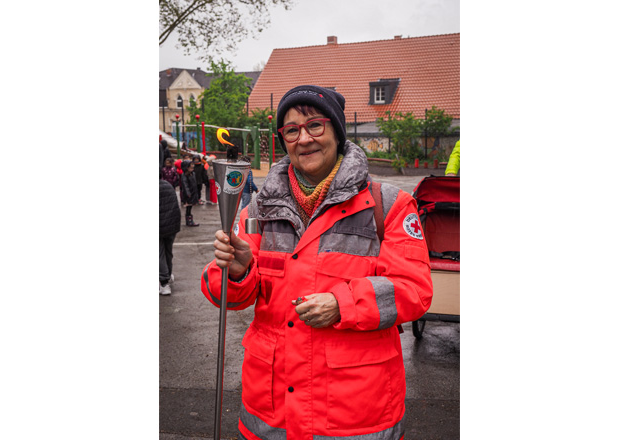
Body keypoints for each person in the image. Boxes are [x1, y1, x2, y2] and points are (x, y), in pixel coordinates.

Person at [200, 85, 433, 439]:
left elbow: (413, 289)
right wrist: (238, 271)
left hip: (354, 413)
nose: (304, 138)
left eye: (315, 126)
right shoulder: (258, 209)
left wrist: (343, 304)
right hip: (271, 412)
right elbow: (223, 294)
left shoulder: (389, 204)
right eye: (291, 130)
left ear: (337, 132)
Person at [160, 178, 181, 295]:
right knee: (168, 252)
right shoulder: (168, 185)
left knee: (160, 255)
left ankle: (164, 283)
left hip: (160, 227)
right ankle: (168, 274)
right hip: (171, 227)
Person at [177, 160, 200, 226]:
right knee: (188, 208)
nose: (192, 168)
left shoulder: (193, 174)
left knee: (190, 207)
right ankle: (189, 221)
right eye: (191, 167)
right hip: (189, 194)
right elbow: (185, 185)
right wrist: (188, 193)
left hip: (193, 193)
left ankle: (190, 220)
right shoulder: (184, 175)